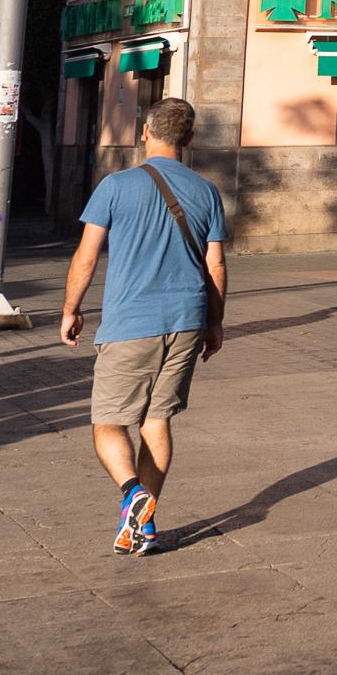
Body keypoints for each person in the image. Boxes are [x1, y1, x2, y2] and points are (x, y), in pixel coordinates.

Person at [60, 98, 226, 557]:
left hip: (130, 322)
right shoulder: (206, 191)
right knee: (157, 420)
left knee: (109, 423)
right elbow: (215, 263)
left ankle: (133, 492)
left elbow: (87, 255)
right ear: (189, 140)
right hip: (188, 320)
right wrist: (215, 323)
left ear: (145, 131)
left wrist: (71, 309)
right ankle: (143, 528)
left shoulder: (116, 186)